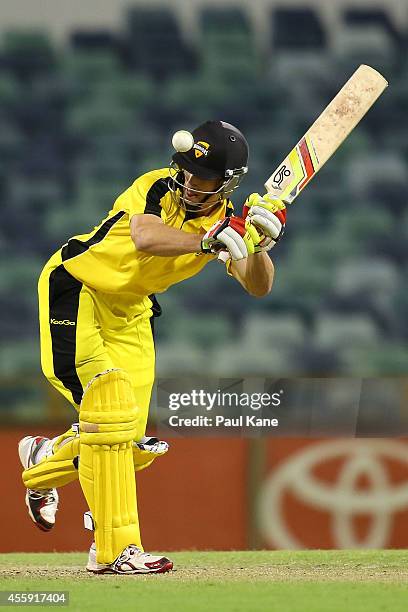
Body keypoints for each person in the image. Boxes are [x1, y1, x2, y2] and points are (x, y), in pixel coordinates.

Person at [18, 120, 286, 575]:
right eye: (185, 171)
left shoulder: (226, 223)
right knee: (110, 419)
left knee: (130, 443)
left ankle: (44, 460)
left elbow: (258, 286)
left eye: (201, 180)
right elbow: (145, 236)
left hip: (132, 310)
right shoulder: (154, 187)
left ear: (225, 184)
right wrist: (206, 242)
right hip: (78, 289)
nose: (188, 184)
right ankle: (113, 550)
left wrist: (258, 242)